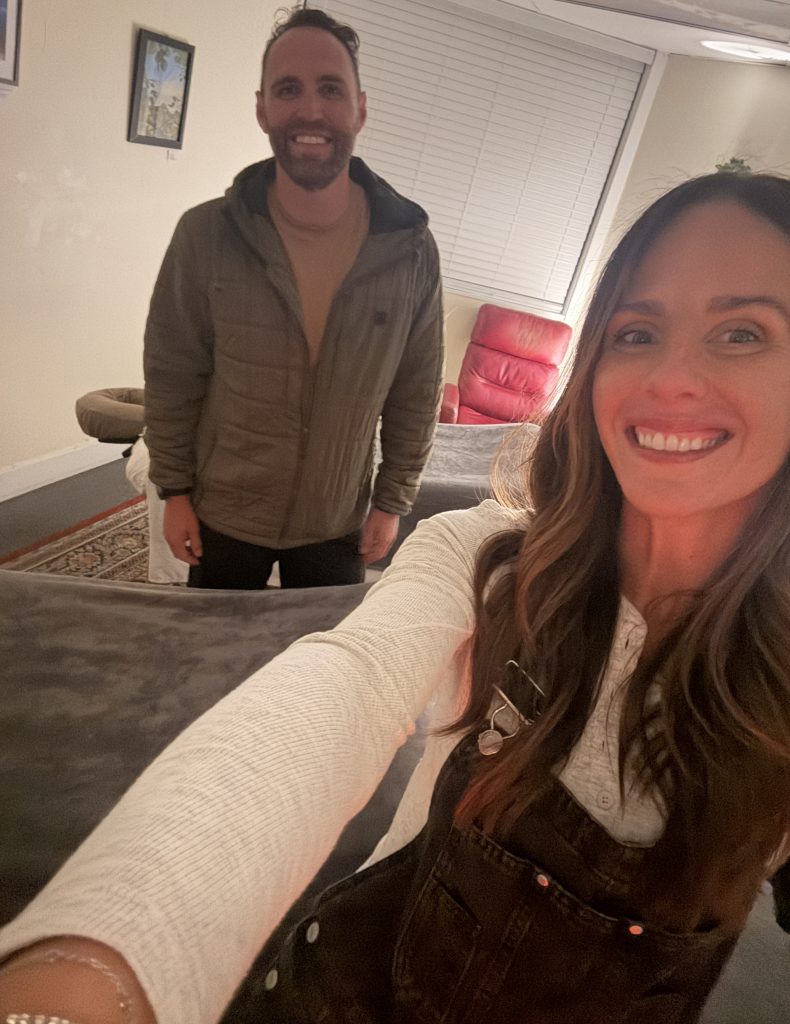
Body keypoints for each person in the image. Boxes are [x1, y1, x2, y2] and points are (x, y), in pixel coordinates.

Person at [1, 170, 789, 1024]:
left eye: (742, 332)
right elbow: (340, 690)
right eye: (636, 331)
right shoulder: (491, 557)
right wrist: (95, 967)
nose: (671, 377)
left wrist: (387, 494)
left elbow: (413, 390)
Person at [144, 6, 444, 590]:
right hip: (224, 514)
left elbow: (417, 389)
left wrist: (393, 499)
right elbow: (172, 373)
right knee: (213, 651)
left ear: (360, 108)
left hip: (336, 523)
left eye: (331, 89)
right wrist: (174, 490)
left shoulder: (409, 251)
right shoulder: (205, 235)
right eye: (289, 89)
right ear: (262, 108)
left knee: (327, 654)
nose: (310, 110)